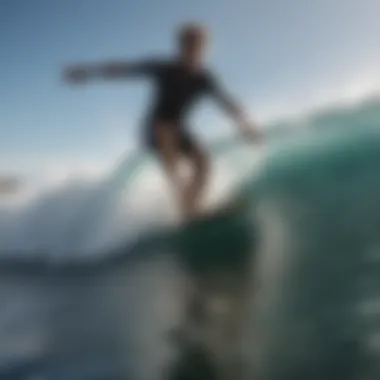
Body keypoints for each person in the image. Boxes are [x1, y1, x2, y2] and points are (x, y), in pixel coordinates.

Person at [64, 22, 260, 220]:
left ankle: (192, 204)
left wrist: (246, 127)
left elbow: (226, 103)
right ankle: (186, 204)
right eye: (188, 44)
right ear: (180, 46)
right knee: (165, 130)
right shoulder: (165, 69)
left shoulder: (205, 78)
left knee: (204, 164)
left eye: (199, 45)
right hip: (154, 130)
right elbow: (124, 69)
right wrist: (86, 72)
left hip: (179, 129)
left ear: (205, 48)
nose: (193, 50)